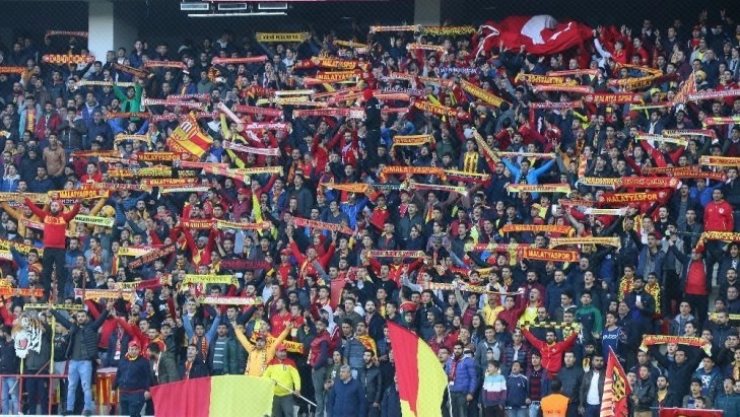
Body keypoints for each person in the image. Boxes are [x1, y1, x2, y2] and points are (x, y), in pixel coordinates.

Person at [51, 300, 111, 416]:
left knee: (85, 387)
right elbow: (62, 320)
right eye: (79, 316)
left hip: (85, 362)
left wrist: (107, 309)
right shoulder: (73, 327)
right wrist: (52, 311)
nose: (80, 318)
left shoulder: (92, 327)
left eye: (82, 316)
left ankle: (87, 409)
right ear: (76, 318)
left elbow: (101, 319)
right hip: (73, 361)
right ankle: (69, 409)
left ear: (86, 317)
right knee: (71, 387)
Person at [24, 197, 80, 300]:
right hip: (48, 249)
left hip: (60, 249)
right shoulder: (45, 215)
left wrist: (77, 204)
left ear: (60, 207)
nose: (54, 207)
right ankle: (46, 293)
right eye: (52, 205)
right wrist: (27, 200)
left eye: (56, 205)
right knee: (46, 272)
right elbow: (34, 209)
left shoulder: (64, 217)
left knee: (60, 272)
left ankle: (61, 294)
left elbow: (73, 213)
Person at [112, 340, 152, 417]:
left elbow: (148, 377)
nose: (133, 351)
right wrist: (113, 388)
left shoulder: (144, 362)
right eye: (131, 349)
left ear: (139, 350)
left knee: (134, 414)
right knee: (124, 414)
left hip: (137, 393)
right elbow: (118, 375)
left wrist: (147, 390)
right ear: (128, 349)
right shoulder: (123, 360)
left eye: (135, 349)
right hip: (123, 393)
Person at [263, 343, 302, 417]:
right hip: (274, 395)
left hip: (287, 395)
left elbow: (296, 377)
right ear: (276, 352)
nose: (283, 353)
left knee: (289, 414)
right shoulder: (271, 363)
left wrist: (297, 389)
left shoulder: (291, 363)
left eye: (284, 351)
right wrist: (271, 381)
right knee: (275, 415)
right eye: (281, 351)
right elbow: (265, 377)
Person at [445, 341, 477, 417]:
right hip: (451, 391)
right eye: (455, 348)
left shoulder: (468, 360)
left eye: (459, 348)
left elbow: (473, 378)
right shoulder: (450, 360)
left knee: (462, 414)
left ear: (463, 349)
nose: (457, 350)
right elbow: (446, 376)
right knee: (452, 414)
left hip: (462, 392)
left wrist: (471, 393)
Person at [0, 325, 19, 415]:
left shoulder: (15, 343)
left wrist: (18, 372)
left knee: (15, 398)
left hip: (12, 374)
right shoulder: (1, 343)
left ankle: (16, 415)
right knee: (4, 398)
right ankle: (4, 415)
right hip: (2, 374)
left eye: (1, 332)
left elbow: (19, 359)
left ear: (5, 333)